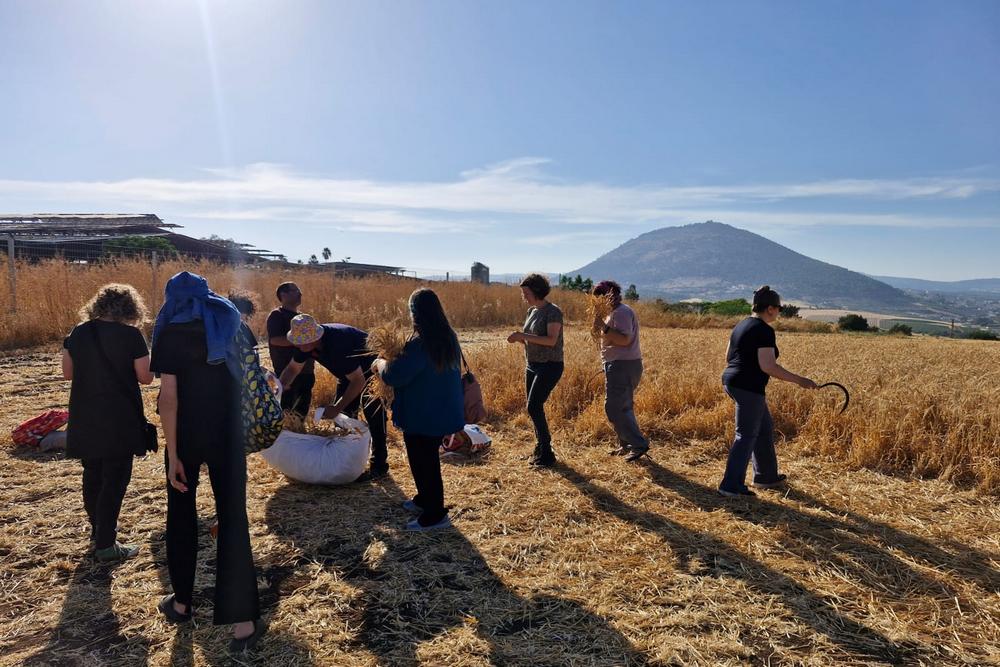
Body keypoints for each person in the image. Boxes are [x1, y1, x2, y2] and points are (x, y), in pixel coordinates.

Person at [150, 272, 263, 653]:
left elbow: (169, 398)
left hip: (186, 436)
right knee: (232, 517)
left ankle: (181, 603)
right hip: (228, 436)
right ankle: (243, 625)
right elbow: (254, 378)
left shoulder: (171, 332)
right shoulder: (234, 324)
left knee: (181, 515)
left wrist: (174, 453)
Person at [61, 284, 153, 562]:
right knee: (114, 480)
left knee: (92, 476)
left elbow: (67, 373)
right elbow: (146, 377)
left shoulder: (78, 332)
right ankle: (106, 545)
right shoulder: (131, 335)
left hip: (84, 414)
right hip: (119, 417)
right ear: (130, 307)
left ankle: (97, 532)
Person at [374, 288, 463, 531]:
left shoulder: (419, 343)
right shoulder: (448, 336)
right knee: (427, 460)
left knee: (424, 463)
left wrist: (380, 362)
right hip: (443, 412)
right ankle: (425, 500)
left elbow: (394, 376)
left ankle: (435, 515)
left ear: (415, 313)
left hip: (422, 416)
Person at [719, 285, 818, 498]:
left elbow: (728, 356)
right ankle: (730, 485)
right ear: (771, 309)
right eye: (779, 309)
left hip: (732, 380)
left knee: (764, 427)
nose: (779, 313)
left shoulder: (741, 325)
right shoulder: (764, 330)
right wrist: (800, 380)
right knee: (745, 435)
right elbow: (768, 366)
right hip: (748, 386)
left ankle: (766, 476)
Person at [279, 314, 389, 481]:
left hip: (372, 372)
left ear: (314, 338)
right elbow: (293, 369)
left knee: (373, 415)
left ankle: (379, 466)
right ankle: (347, 464)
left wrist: (336, 407)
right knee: (343, 419)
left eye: (301, 342)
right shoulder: (304, 344)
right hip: (348, 374)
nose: (298, 345)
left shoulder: (337, 344)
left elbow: (358, 381)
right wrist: (278, 387)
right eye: (297, 341)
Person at [506, 273, 564, 467]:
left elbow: (551, 340)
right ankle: (540, 448)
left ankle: (547, 453)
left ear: (538, 291)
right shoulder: (532, 311)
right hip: (532, 364)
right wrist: (520, 339)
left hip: (550, 365)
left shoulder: (553, 311)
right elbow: (533, 339)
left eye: (526, 292)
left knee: (534, 406)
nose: (524, 296)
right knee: (533, 407)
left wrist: (523, 335)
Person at [593, 280, 649, 462]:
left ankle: (637, 444)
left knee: (615, 407)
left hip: (623, 365)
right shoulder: (613, 314)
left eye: (603, 296)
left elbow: (624, 340)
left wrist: (603, 327)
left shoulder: (622, 313)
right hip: (617, 364)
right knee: (622, 406)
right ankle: (626, 444)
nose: (601, 300)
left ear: (612, 295)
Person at [266, 283, 314, 417]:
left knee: (301, 413)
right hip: (287, 372)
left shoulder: (303, 317)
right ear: (283, 295)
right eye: (295, 290)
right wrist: (300, 341)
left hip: (307, 371)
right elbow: (275, 340)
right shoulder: (277, 315)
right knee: (287, 413)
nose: (300, 293)